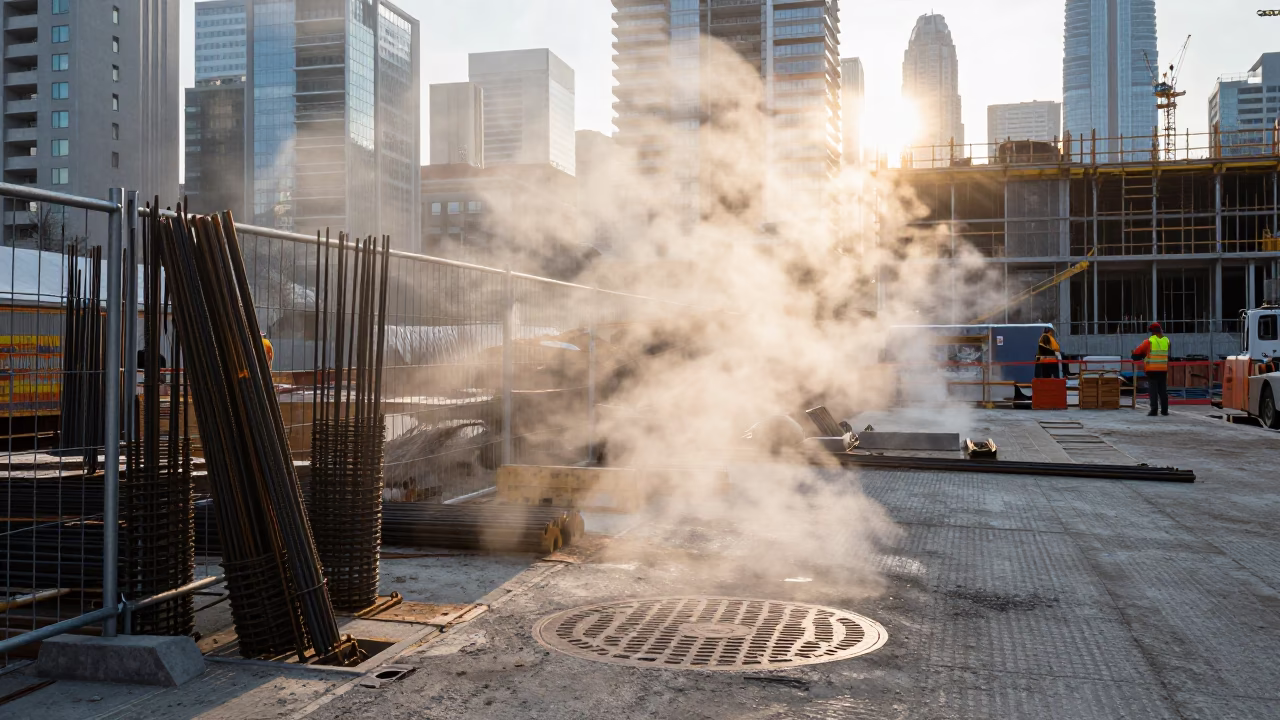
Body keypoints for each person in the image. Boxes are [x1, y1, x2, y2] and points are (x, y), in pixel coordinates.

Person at [1133, 322, 1169, 416]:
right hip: (1163, 369)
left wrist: (1140, 356)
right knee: (1163, 390)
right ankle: (1165, 410)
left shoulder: (1149, 341)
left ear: (1152, 332)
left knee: (1153, 391)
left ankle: (1154, 410)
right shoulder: (1166, 340)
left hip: (1152, 369)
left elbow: (1136, 354)